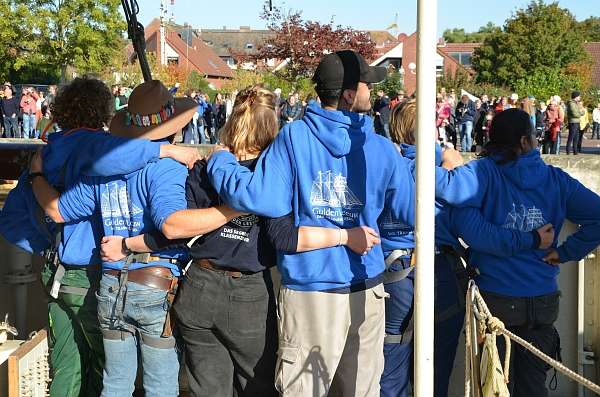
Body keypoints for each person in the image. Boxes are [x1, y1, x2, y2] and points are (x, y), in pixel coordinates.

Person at [100, 85, 382, 396]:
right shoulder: (274, 175)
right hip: (248, 296)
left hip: (198, 288)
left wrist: (129, 244)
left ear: (233, 121)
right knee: (258, 386)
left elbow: (175, 233)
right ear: (273, 126)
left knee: (207, 389)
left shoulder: (205, 169)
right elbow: (283, 237)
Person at [206, 50, 416, 396]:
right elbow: (411, 212)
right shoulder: (381, 149)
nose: (373, 92)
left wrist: (220, 162)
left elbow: (261, 198)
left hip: (311, 293)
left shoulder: (294, 137)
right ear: (349, 95)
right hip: (363, 287)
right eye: (367, 85)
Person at [0, 77, 200, 397]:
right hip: (92, 277)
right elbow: (166, 218)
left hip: (55, 274)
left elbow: (23, 218)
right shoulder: (99, 149)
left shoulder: (50, 151)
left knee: (67, 367)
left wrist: (46, 227)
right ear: (101, 110)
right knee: (111, 370)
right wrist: (166, 149)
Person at [384, 100, 555, 397]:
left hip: (391, 272)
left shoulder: (386, 164)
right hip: (439, 272)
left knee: (391, 366)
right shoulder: (447, 173)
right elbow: (474, 230)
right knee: (434, 365)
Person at [436, 108, 600, 397]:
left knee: (490, 385)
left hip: (494, 300)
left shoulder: (481, 173)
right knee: (532, 387)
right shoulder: (556, 180)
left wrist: (436, 155)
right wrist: (563, 252)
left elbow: (471, 229)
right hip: (542, 299)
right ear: (526, 141)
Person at [566, 91, 583, 155]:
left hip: (577, 122)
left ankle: (575, 151)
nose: (580, 97)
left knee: (576, 138)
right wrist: (580, 113)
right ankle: (568, 151)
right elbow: (575, 113)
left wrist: (580, 112)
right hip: (573, 122)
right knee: (571, 137)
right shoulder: (571, 104)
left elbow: (582, 111)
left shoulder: (576, 103)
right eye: (579, 96)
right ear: (576, 97)